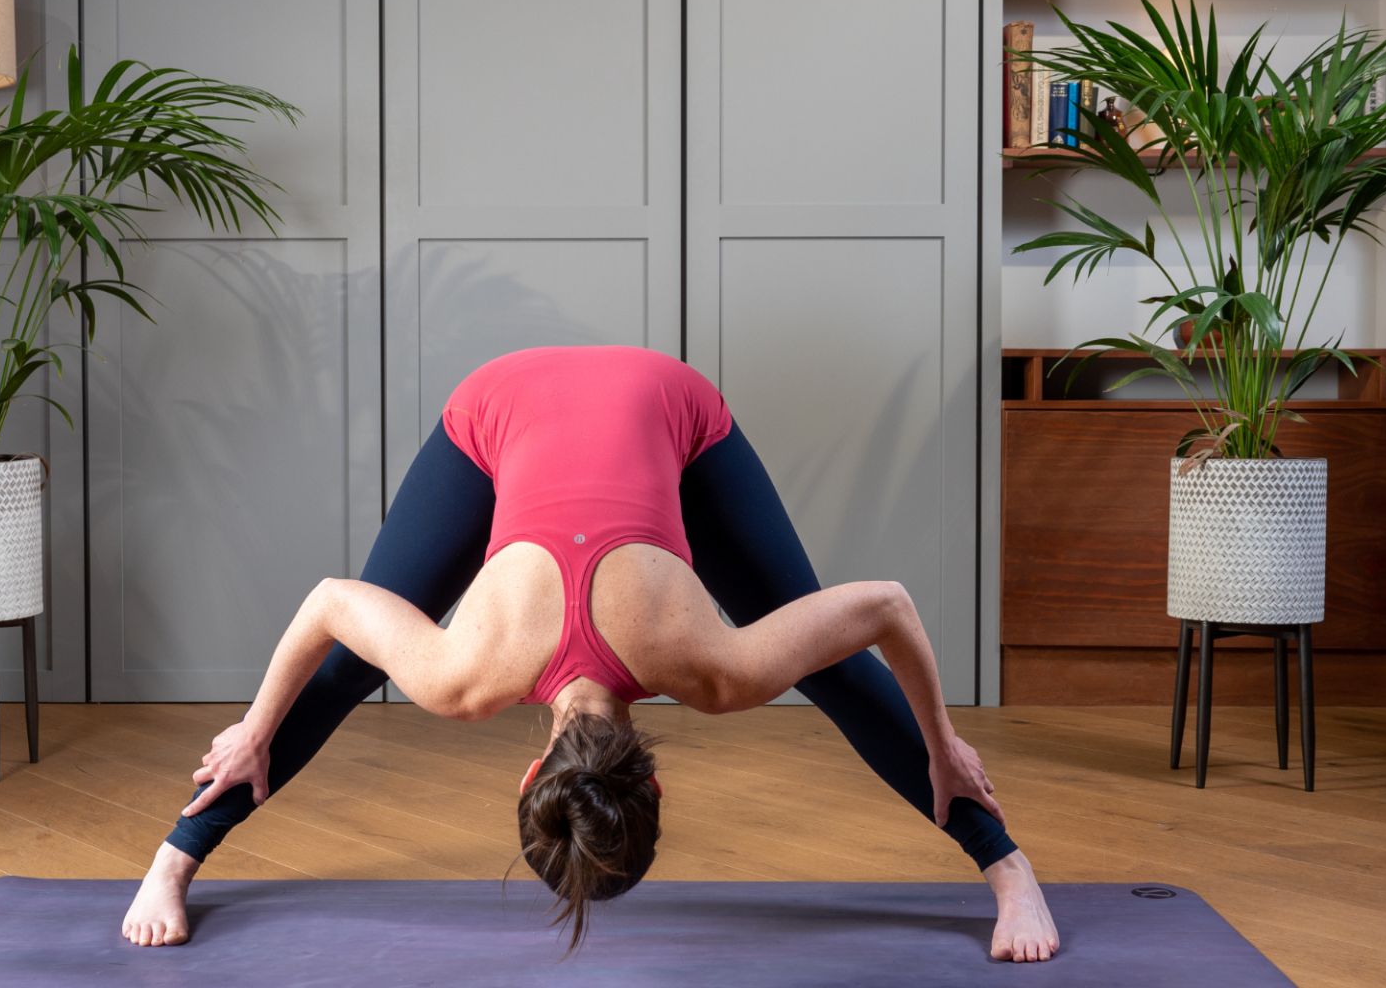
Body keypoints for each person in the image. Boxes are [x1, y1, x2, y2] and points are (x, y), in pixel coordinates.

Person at [122, 345, 1060, 962]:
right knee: (348, 662)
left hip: (649, 407)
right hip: (514, 412)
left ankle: (176, 859)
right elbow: (329, 603)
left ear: (653, 785)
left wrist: (941, 741)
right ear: (530, 772)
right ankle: (1008, 875)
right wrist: (251, 727)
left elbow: (887, 606)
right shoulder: (483, 677)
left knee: (827, 656)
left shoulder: (700, 671)